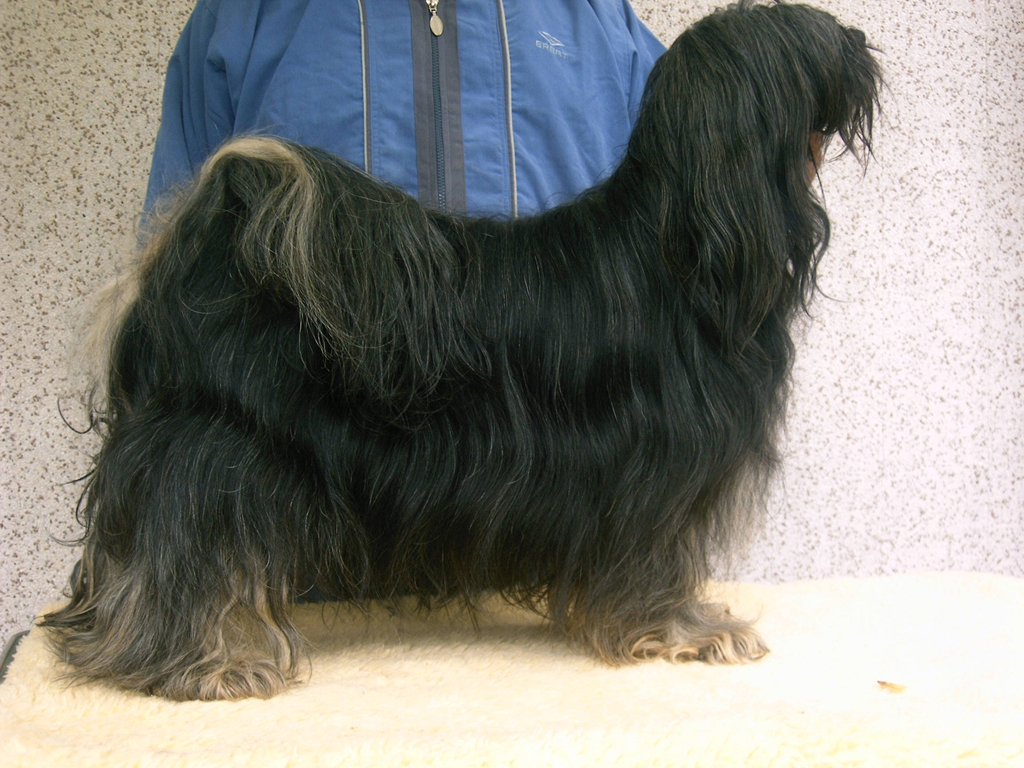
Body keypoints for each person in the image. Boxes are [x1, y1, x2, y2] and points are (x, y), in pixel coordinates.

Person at [145, 0, 666, 217]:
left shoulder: (599, 20)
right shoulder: (245, 16)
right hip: (313, 412)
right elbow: (173, 276)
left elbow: (678, 260)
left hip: (554, 409)